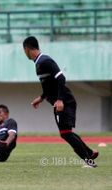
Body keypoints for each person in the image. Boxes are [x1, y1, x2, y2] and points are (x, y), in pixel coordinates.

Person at [22, 36, 99, 168]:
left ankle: (89, 161)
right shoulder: (38, 64)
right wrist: (40, 98)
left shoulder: (45, 61)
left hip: (64, 102)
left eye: (24, 50)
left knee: (65, 133)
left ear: (27, 49)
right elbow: (49, 86)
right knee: (66, 132)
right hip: (61, 102)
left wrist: (60, 100)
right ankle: (90, 153)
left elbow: (61, 78)